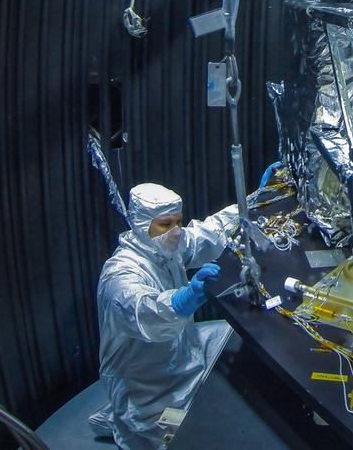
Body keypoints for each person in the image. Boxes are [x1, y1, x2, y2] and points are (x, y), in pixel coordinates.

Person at [88, 183, 240, 449]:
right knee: (206, 437)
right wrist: (185, 298)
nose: (176, 231)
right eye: (166, 224)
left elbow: (209, 233)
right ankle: (129, 425)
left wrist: (252, 202)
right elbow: (145, 311)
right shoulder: (121, 274)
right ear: (140, 224)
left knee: (235, 335)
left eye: (178, 222)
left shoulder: (166, 248)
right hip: (147, 388)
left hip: (182, 352)